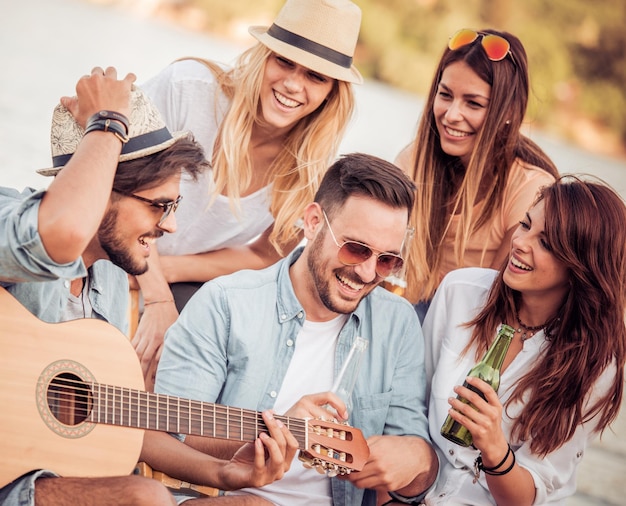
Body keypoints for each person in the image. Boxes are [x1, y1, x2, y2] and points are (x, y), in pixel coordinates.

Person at [0, 68, 297, 506]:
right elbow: (58, 233)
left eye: (174, 206)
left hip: (51, 478)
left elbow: (122, 422)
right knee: (146, 496)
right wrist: (107, 122)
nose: (172, 226)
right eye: (160, 206)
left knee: (252, 505)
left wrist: (225, 472)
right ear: (103, 190)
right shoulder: (10, 215)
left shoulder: (111, 278)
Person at [153, 153, 439, 505]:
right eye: (355, 249)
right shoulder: (226, 303)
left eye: (387, 260)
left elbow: (411, 479)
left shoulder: (398, 323)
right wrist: (274, 429)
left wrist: (420, 459)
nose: (367, 274)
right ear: (314, 222)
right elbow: (172, 433)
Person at [133, 0, 363, 379]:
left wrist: (165, 273)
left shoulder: (310, 171)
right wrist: (156, 295)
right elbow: (113, 186)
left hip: (165, 279)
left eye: (315, 76)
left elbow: (263, 254)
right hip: (104, 249)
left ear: (331, 92)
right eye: (284, 61)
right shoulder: (189, 88)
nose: (292, 84)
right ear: (264, 55)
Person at [422, 176, 626, 504]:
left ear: (581, 266)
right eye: (525, 225)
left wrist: (493, 445)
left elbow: (527, 495)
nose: (519, 242)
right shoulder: (460, 291)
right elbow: (410, 404)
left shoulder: (594, 365)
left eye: (545, 243)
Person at [394, 28, 559, 321]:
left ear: (507, 110)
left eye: (473, 103)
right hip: (404, 309)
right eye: (445, 95)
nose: (451, 114)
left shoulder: (531, 188)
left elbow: (495, 300)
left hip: (471, 321)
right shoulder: (413, 160)